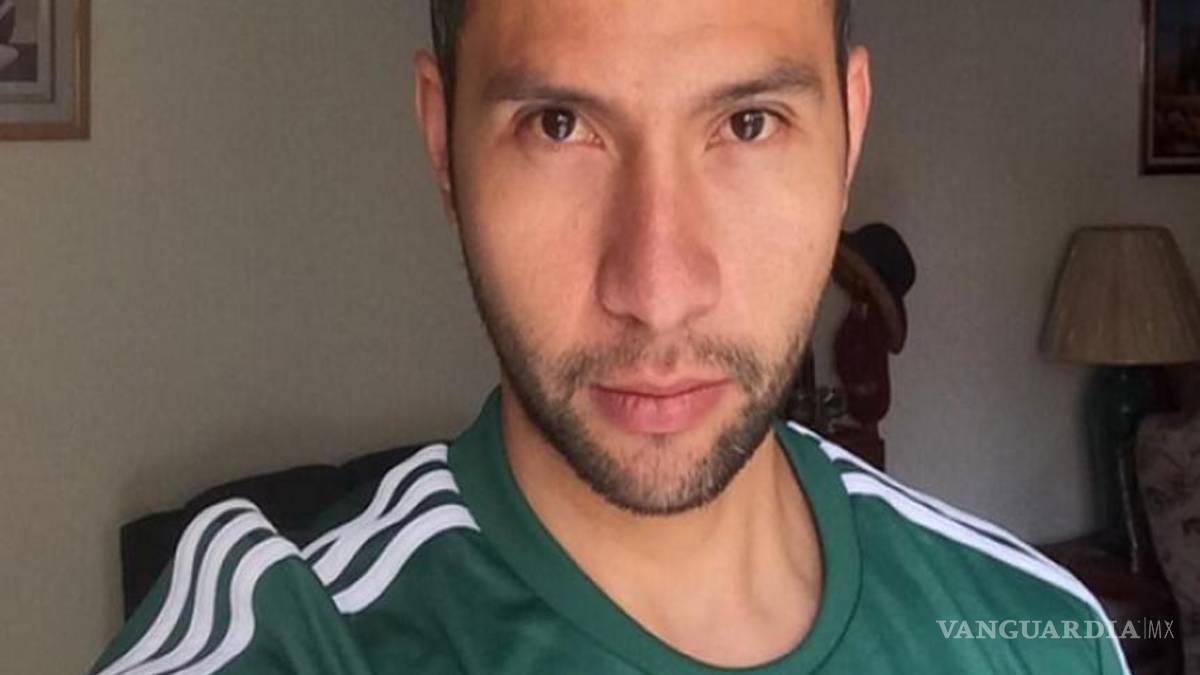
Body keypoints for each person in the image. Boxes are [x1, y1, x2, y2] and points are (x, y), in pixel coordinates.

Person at [89, 1, 1131, 673]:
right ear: (443, 145)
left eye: (748, 123)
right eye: (558, 126)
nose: (658, 290)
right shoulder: (304, 638)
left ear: (849, 134)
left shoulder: (1043, 637)